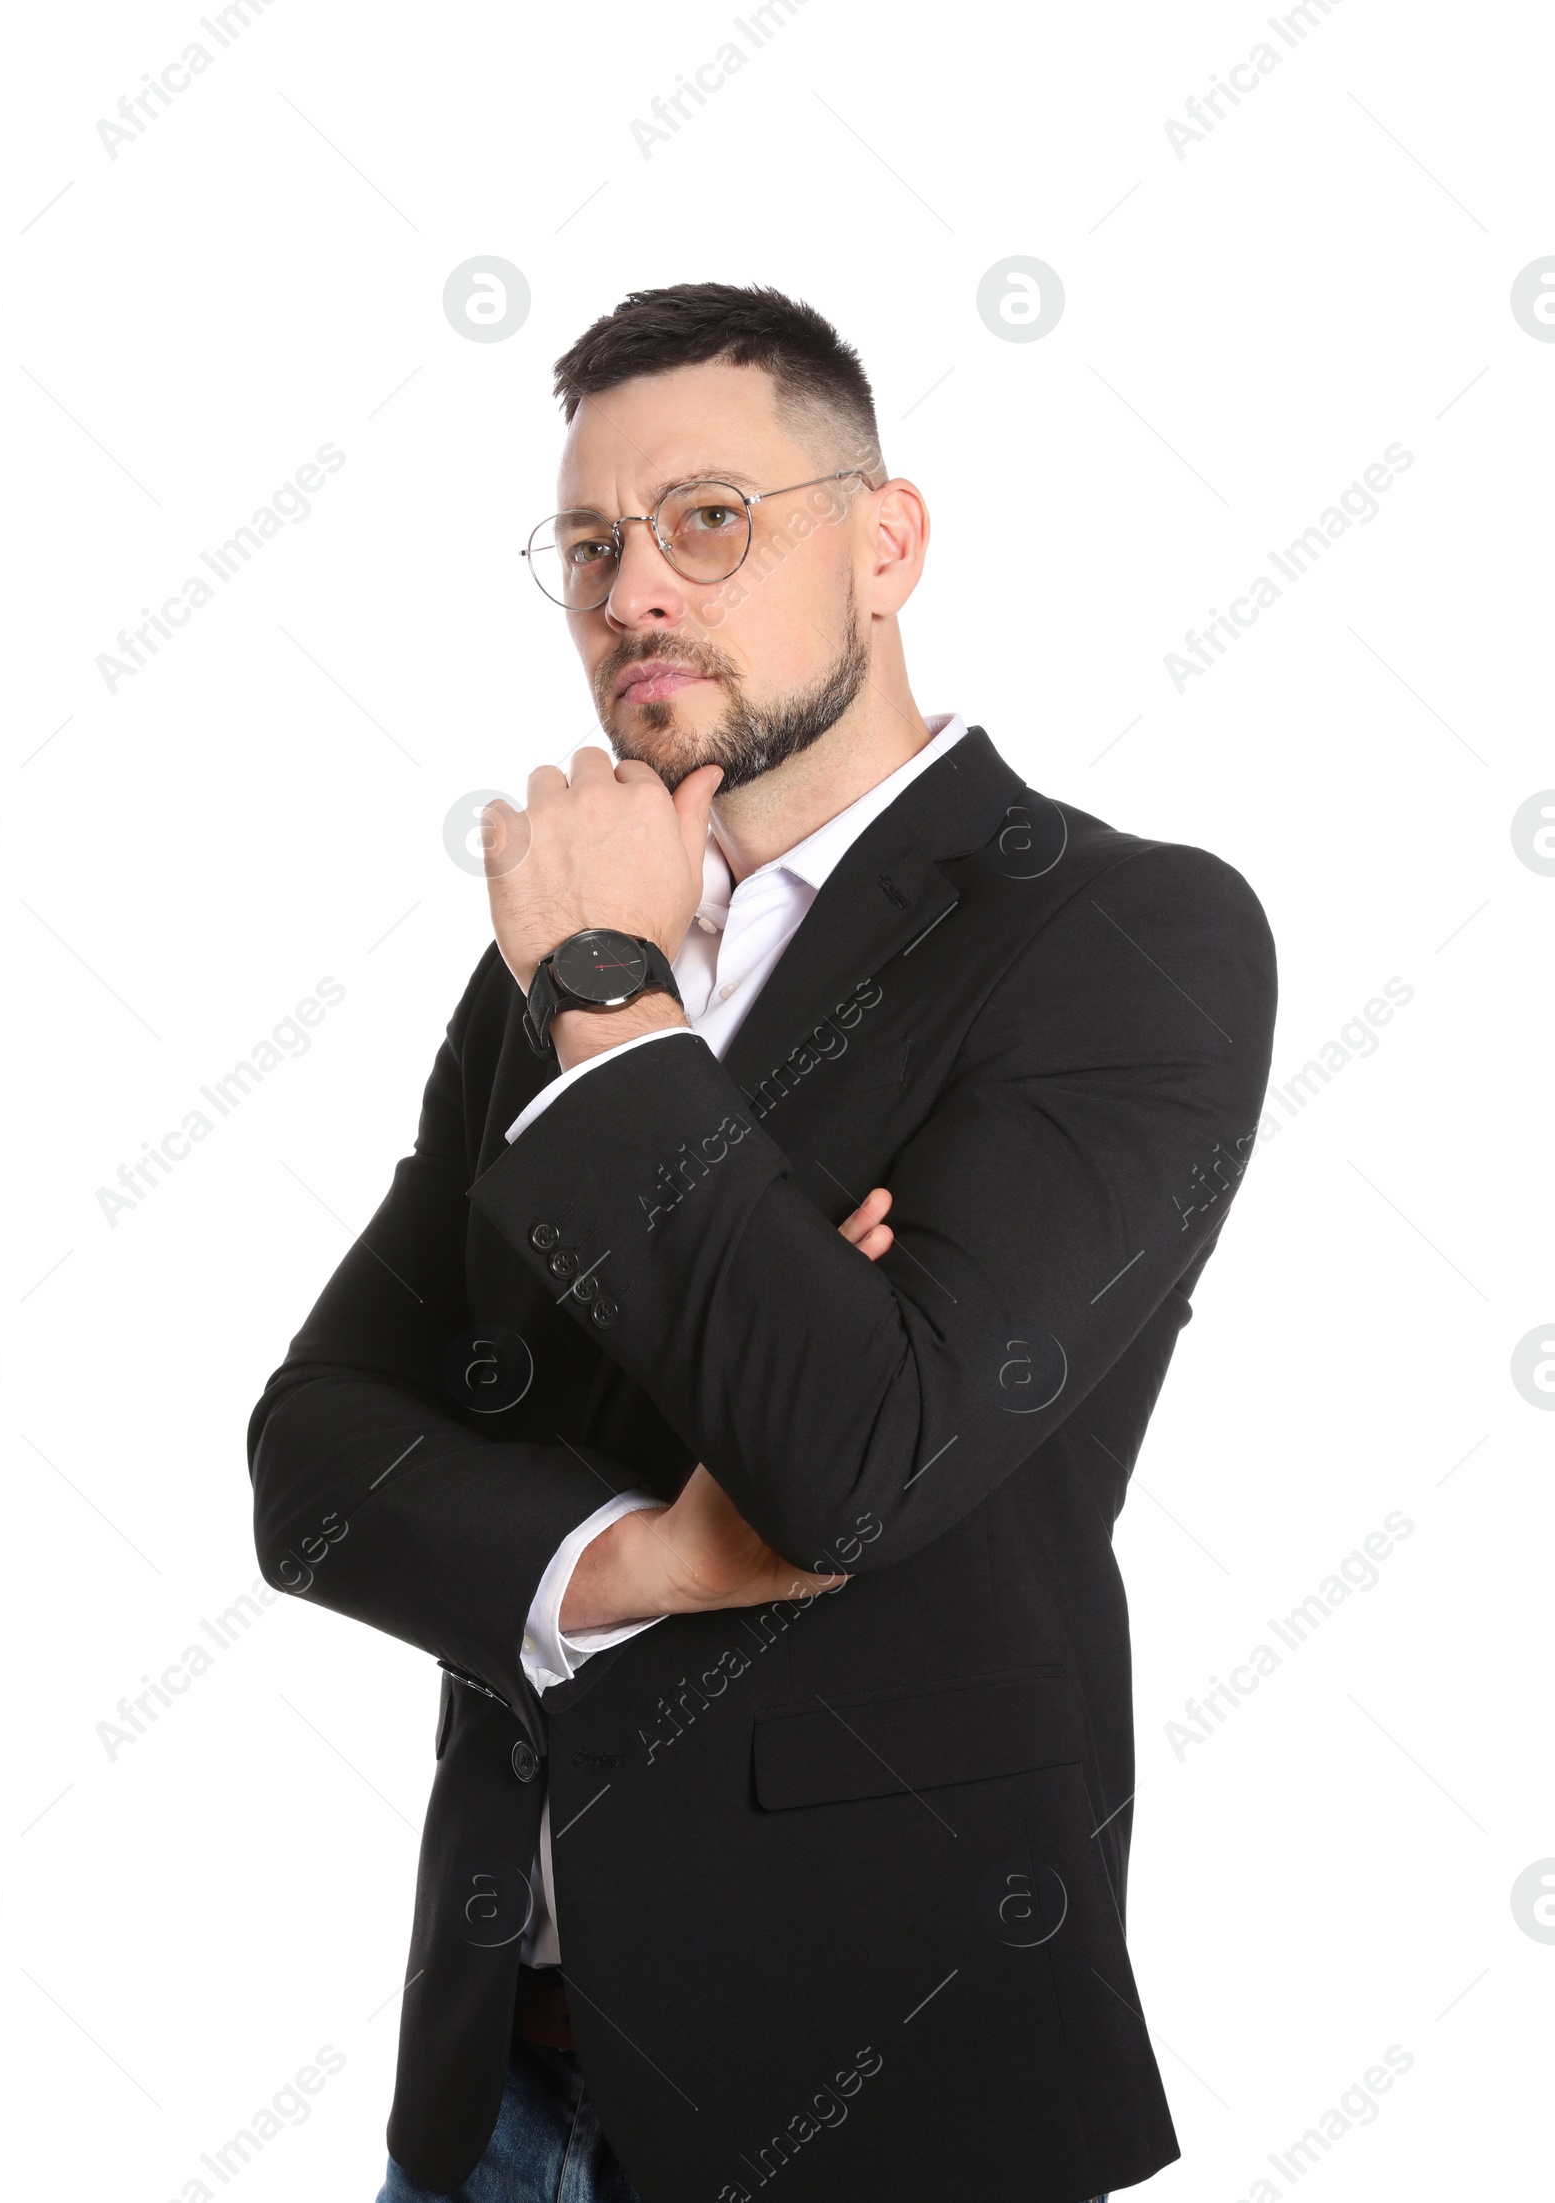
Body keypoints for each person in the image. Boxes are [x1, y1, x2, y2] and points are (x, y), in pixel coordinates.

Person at [247, 281, 1277, 2203]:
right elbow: (311, 1456)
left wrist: (623, 1009)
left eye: (709, 519)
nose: (635, 589)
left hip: (877, 2096)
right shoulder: (546, 965)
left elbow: (861, 1454)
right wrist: (629, 1556)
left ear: (884, 543)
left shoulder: (1125, 935)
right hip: (490, 2101)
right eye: (586, 546)